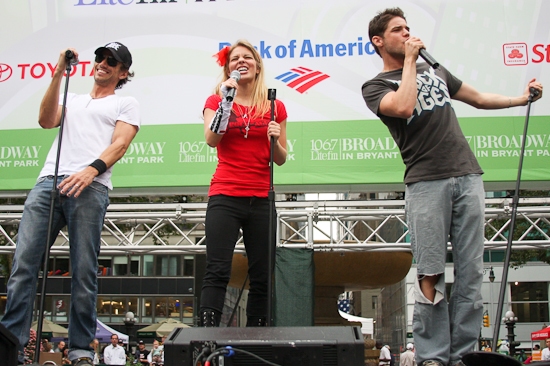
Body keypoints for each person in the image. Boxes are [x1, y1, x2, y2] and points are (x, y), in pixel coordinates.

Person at [362, 7, 543, 366]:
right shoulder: (376, 86)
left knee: (471, 270)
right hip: (426, 181)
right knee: (430, 271)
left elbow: (477, 97)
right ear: (379, 41)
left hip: (467, 175)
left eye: (409, 28)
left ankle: (464, 354)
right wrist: (411, 61)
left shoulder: (436, 69)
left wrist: (521, 99)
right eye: (399, 30)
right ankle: (432, 355)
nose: (407, 34)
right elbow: (404, 104)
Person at [0, 41, 140, 366]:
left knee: (84, 270)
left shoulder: (126, 103)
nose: (102, 63)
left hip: (90, 187)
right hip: (49, 181)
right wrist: (59, 72)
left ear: (123, 72)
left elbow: (120, 145)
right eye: (100, 58)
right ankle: (11, 347)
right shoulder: (72, 98)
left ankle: (79, 351)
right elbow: (46, 120)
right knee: (23, 266)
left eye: (111, 61)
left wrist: (90, 171)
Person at [199, 39, 288, 327]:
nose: (241, 62)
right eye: (235, 58)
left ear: (257, 65)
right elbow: (212, 139)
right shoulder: (216, 101)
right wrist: (226, 100)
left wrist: (274, 139)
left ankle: (259, 333)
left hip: (262, 197)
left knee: (262, 274)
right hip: (225, 194)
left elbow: (281, 159)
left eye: (247, 57)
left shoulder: (275, 106)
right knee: (218, 269)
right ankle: (207, 332)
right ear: (228, 69)